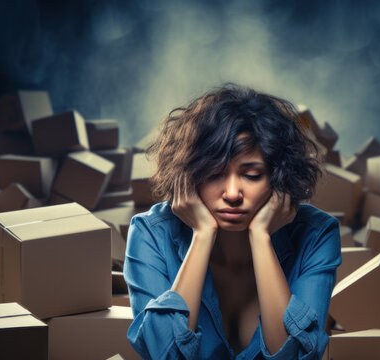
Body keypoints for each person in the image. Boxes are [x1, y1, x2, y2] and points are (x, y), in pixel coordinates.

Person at [123, 84, 342, 359]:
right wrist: (202, 234)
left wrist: (261, 237)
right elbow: (163, 355)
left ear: (278, 176)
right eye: (214, 174)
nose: (232, 194)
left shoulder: (318, 234)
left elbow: (296, 357)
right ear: (190, 175)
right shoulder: (149, 234)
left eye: (251, 174)